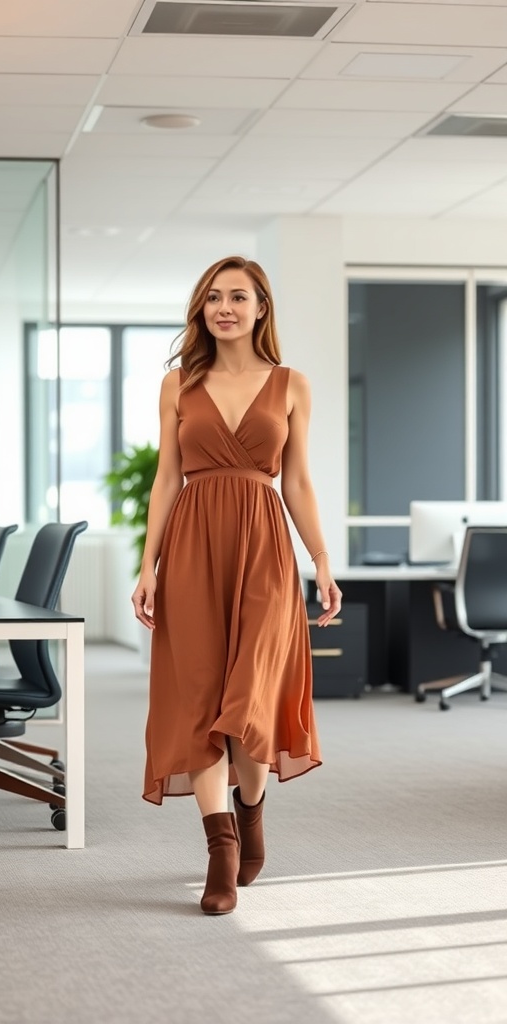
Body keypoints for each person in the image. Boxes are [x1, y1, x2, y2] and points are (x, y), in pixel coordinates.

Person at [131, 255, 342, 916]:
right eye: (214, 297)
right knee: (200, 697)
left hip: (265, 551)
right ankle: (220, 849)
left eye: (238, 297)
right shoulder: (177, 385)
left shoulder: (292, 384)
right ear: (202, 309)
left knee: (250, 696)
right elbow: (166, 479)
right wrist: (148, 565)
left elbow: (297, 481)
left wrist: (322, 560)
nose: (225, 307)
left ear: (260, 308)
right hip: (193, 549)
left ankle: (251, 809)